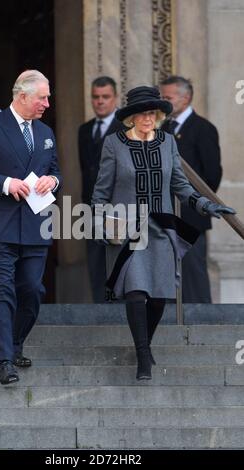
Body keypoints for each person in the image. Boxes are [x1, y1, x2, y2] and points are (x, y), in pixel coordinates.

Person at [91, 86, 235, 380]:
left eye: (152, 112)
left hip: (162, 230)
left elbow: (180, 186)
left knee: (157, 297)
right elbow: (101, 192)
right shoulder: (113, 144)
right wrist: (100, 223)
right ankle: (143, 356)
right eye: (142, 112)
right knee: (135, 293)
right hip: (128, 230)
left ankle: (146, 345)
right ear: (131, 117)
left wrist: (207, 204)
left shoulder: (168, 142)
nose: (148, 117)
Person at [0, 70, 61, 385]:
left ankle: (15, 344)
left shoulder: (45, 131)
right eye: (42, 97)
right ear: (22, 96)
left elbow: (55, 169)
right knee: (2, 288)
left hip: (35, 225)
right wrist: (4, 183)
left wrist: (53, 180)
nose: (47, 102)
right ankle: (3, 360)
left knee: (32, 290)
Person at [160, 76, 222, 302]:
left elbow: (212, 174)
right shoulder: (162, 128)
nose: (164, 102)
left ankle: (199, 320)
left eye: (168, 97)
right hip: (164, 214)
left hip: (191, 216)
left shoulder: (203, 128)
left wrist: (195, 201)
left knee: (193, 271)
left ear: (185, 98)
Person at [78, 76, 125, 302]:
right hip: (91, 208)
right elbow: (85, 171)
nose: (100, 102)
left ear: (115, 98)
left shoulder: (126, 129)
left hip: (118, 207)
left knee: (117, 263)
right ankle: (99, 309)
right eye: (95, 97)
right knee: (95, 263)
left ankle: (118, 314)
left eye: (105, 97)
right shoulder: (84, 130)